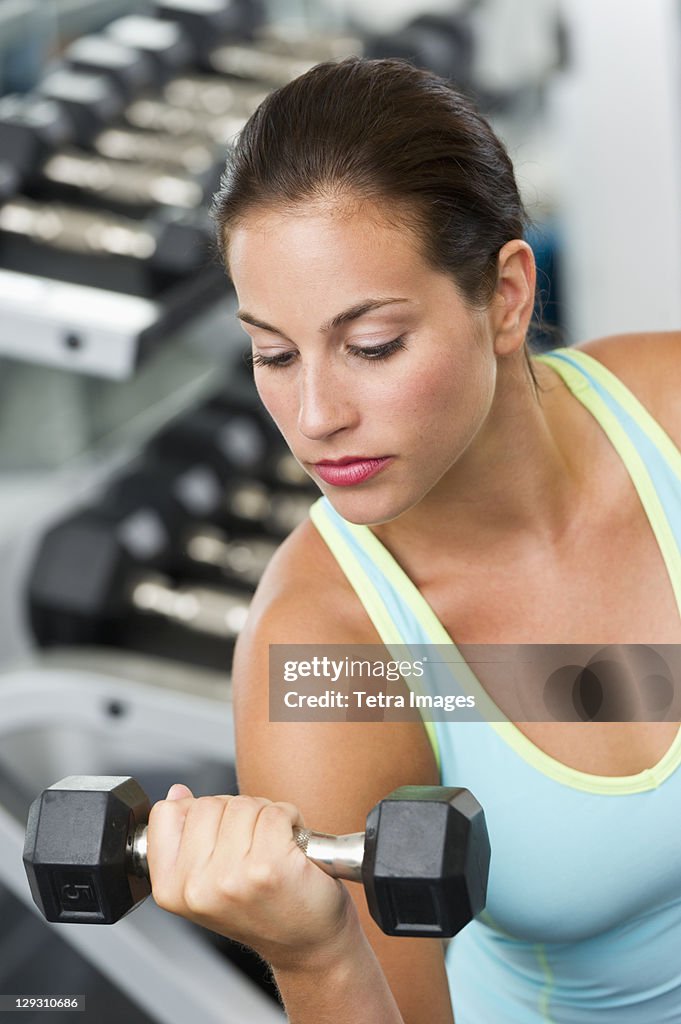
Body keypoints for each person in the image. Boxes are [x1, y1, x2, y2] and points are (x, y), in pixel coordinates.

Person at [146, 57, 681, 1022]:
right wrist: (312, 955)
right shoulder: (326, 657)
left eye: (372, 346)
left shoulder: (672, 415)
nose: (312, 415)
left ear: (506, 297)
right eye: (272, 354)